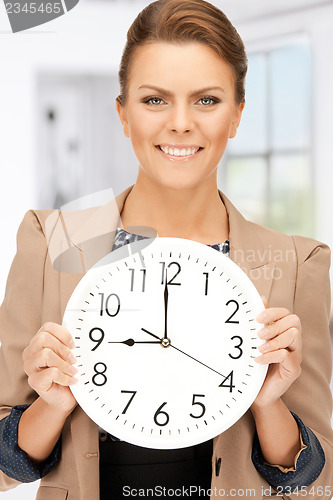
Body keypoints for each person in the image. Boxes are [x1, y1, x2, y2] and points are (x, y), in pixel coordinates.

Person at [0, 0, 332, 499]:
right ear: (123, 113)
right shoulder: (52, 243)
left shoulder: (298, 265)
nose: (180, 123)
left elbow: (318, 482)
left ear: (237, 114)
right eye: (155, 100)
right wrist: (55, 403)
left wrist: (267, 404)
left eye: (206, 100)